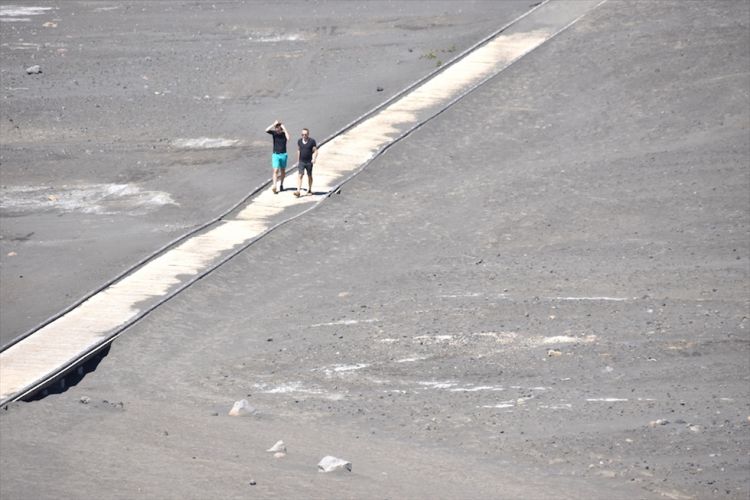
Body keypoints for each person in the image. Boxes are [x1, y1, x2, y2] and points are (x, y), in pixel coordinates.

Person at [265, 119, 289, 193]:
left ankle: (281, 185)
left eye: (278, 126)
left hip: (283, 154)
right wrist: (273, 124)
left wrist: (284, 129)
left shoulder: (284, 133)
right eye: (276, 127)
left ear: (280, 127)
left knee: (283, 171)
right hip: (276, 154)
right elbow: (266, 130)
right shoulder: (274, 133)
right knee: (275, 170)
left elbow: (288, 138)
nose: (276, 128)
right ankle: (274, 186)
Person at [294, 128, 318, 197]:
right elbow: (299, 150)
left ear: (308, 134)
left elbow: (315, 151)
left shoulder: (312, 141)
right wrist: (298, 161)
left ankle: (310, 189)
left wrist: (314, 159)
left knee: (309, 176)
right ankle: (298, 191)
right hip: (301, 161)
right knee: (300, 175)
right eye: (302, 134)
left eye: (305, 134)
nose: (304, 136)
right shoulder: (299, 141)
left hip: (309, 162)